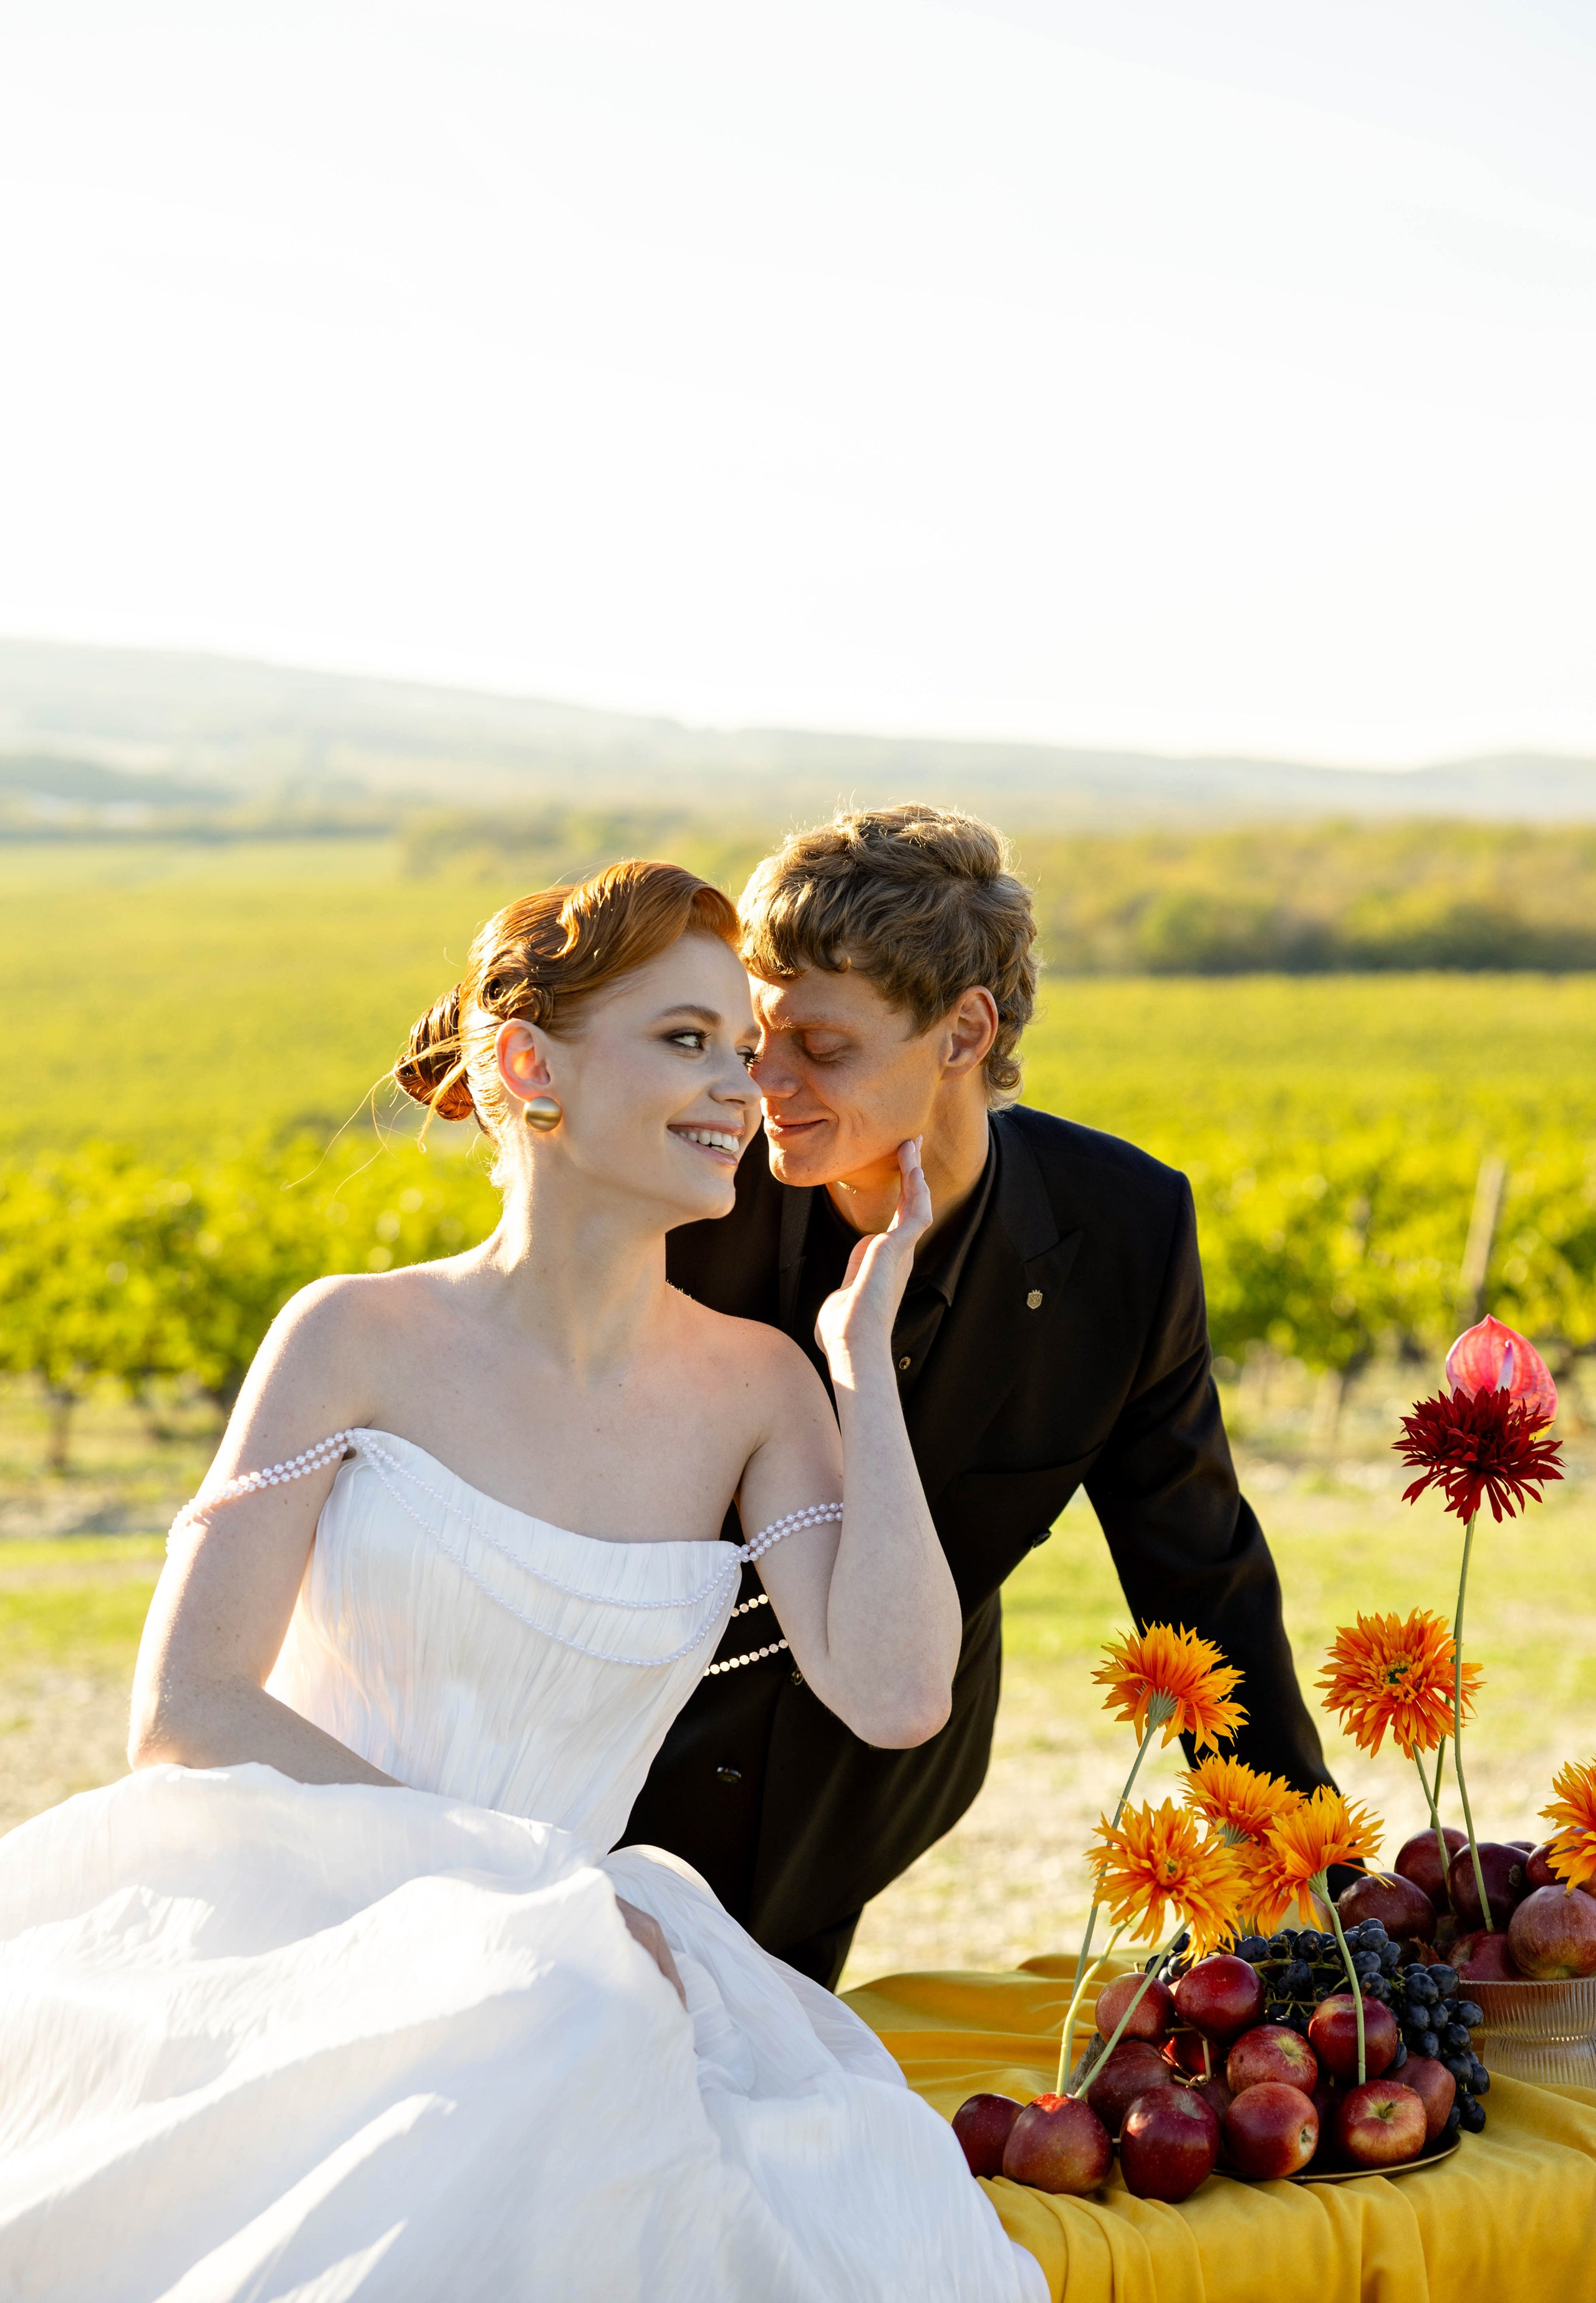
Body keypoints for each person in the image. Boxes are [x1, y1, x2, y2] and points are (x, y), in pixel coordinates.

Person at [0, 863, 1044, 2303]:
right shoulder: (350, 1338)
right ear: (528, 1067)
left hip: (577, 1969)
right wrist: (517, 1892)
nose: (740, 1087)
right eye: (685, 1040)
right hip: (301, 1919)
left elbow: (897, 1694)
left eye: (743, 1050)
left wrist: (863, 1373)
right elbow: (188, 1708)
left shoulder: (758, 1390)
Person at [627, 805, 1332, 1988]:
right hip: (624, 1773)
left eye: (823, 1048)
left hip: (864, 1797)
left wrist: (1304, 1880)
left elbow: (1198, 1574)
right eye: (757, 1039)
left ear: (963, 1032)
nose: (766, 1084)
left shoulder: (1126, 1232)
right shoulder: (678, 1194)